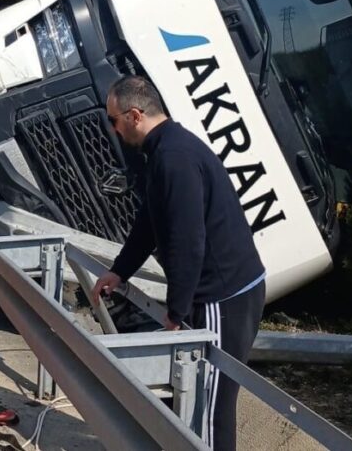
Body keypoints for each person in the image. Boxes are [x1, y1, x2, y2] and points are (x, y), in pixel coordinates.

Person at [91, 76, 266, 451]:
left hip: (225, 295)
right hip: (222, 290)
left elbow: (188, 242)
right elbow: (150, 222)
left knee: (211, 403)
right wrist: (120, 270)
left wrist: (177, 313)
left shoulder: (174, 158)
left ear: (135, 115)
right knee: (199, 398)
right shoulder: (163, 150)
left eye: (114, 121)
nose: (113, 130)